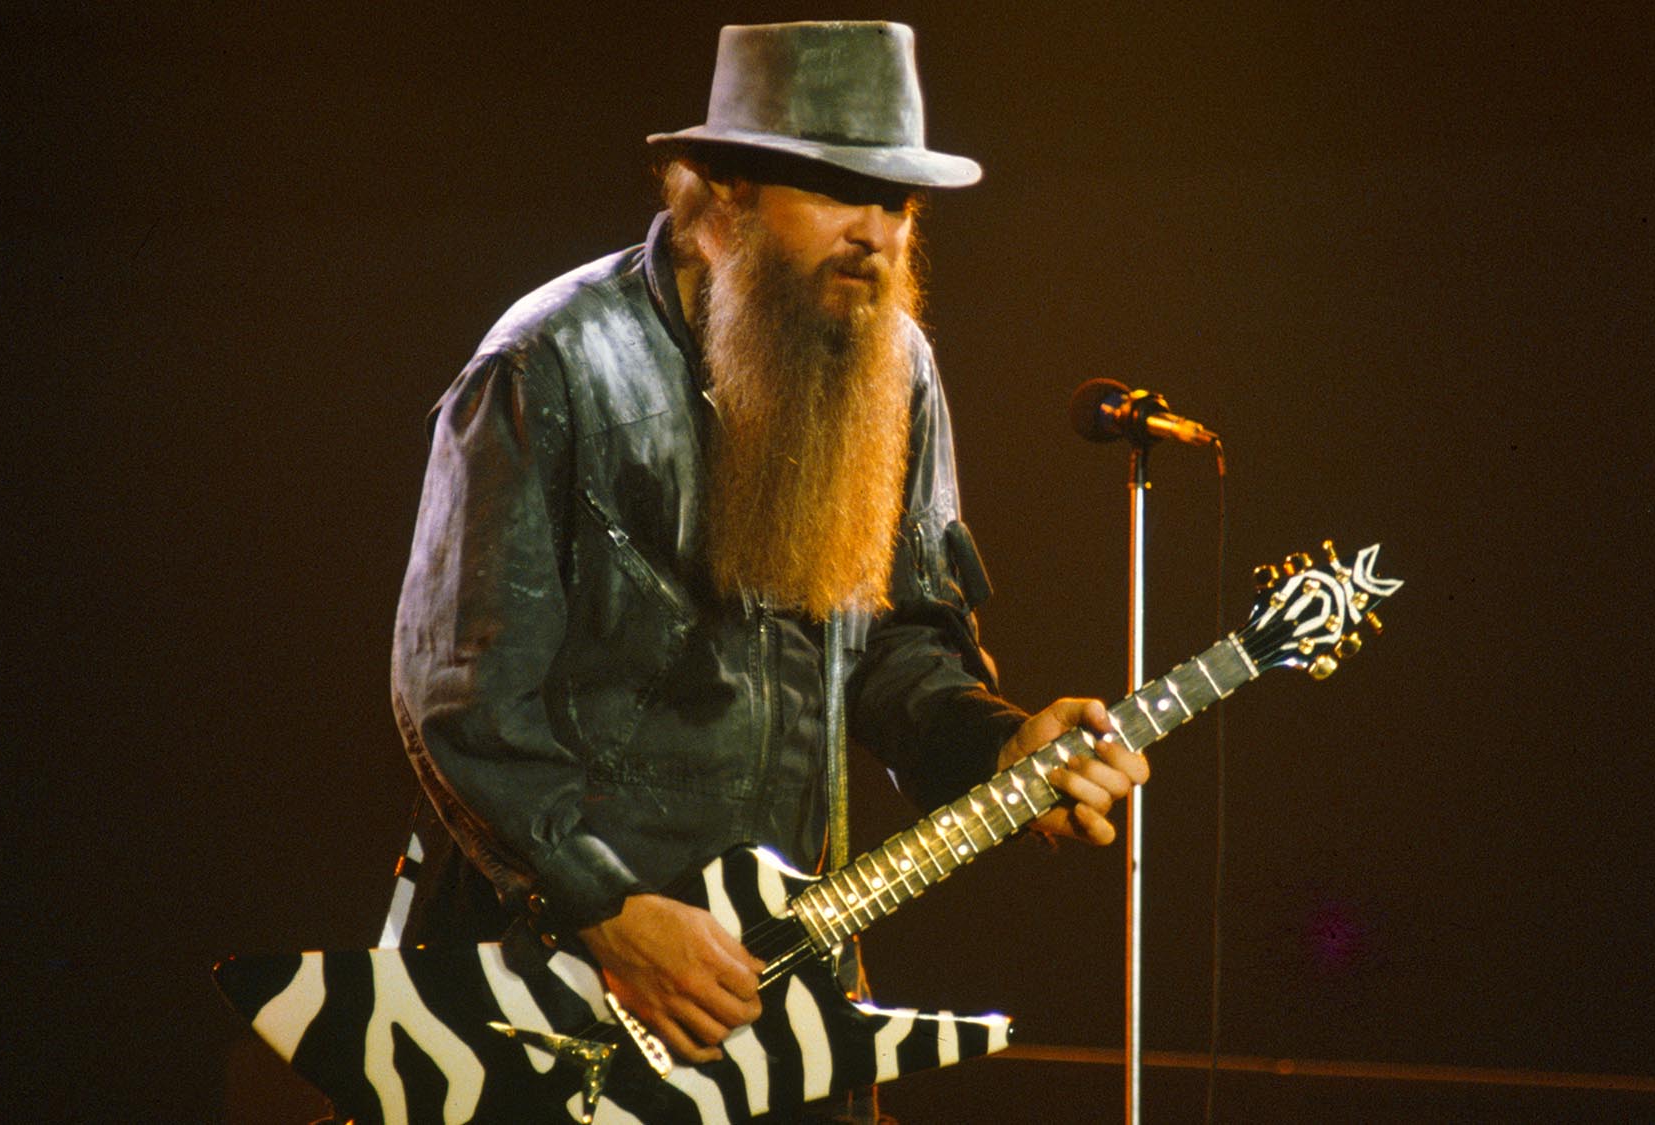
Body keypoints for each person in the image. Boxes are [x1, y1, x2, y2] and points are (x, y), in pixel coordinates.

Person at [389, 20, 1147, 1118]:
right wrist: (605, 911)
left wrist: (1000, 744)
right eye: (839, 191)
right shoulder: (548, 361)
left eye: (897, 203)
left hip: (779, 992)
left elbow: (897, 647)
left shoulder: (896, 363)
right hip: (552, 998)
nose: (876, 234)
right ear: (722, 193)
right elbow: (457, 694)